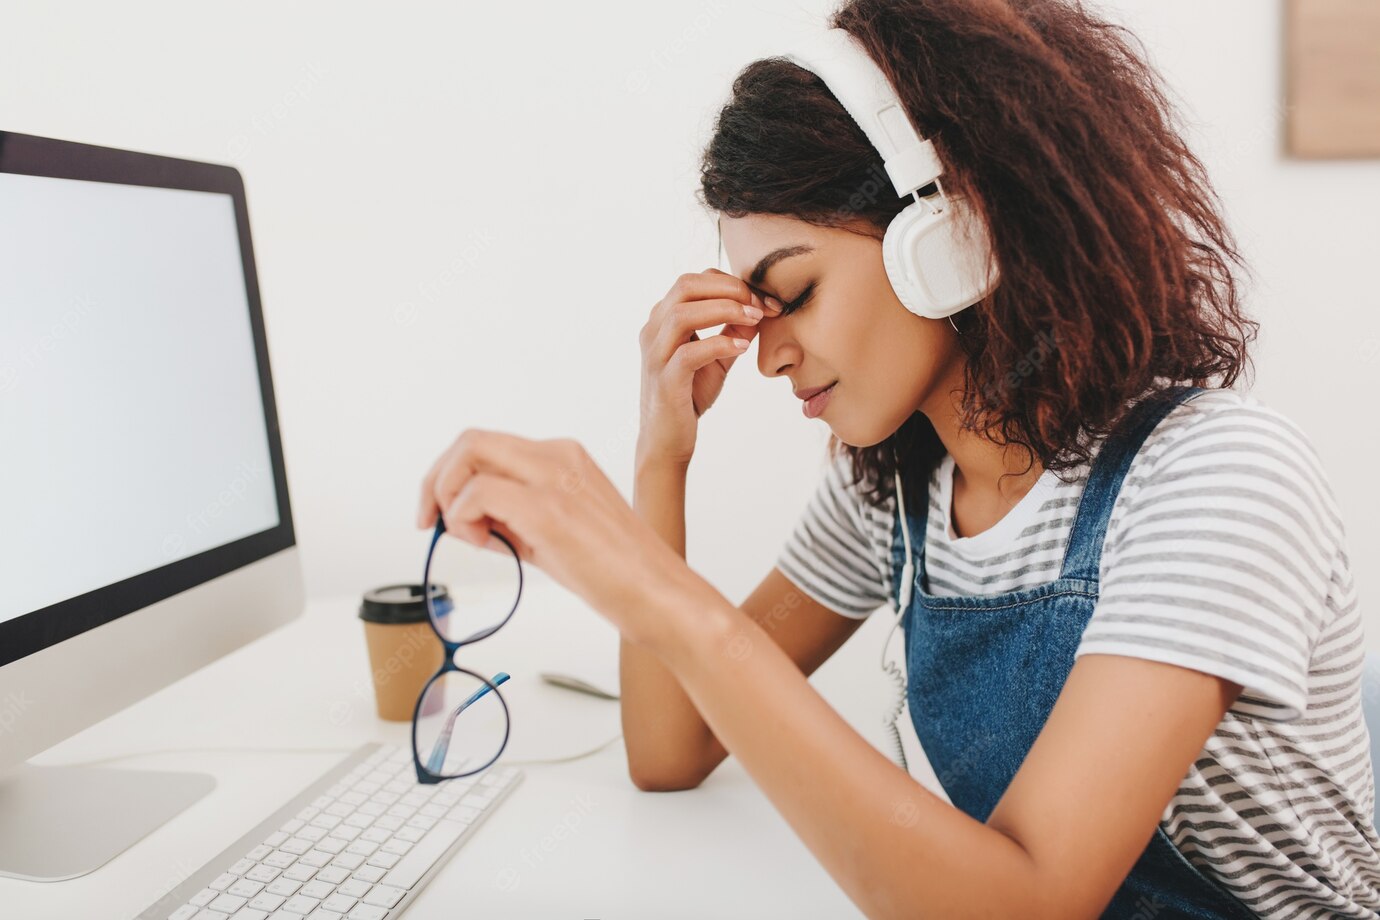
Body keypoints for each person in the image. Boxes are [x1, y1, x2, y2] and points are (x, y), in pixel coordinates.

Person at [416, 1, 1378, 916]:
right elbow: (670, 748)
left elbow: (1034, 902)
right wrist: (660, 456)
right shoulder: (893, 496)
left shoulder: (1218, 479)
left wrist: (648, 583)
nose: (768, 354)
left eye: (792, 292)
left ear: (952, 235)